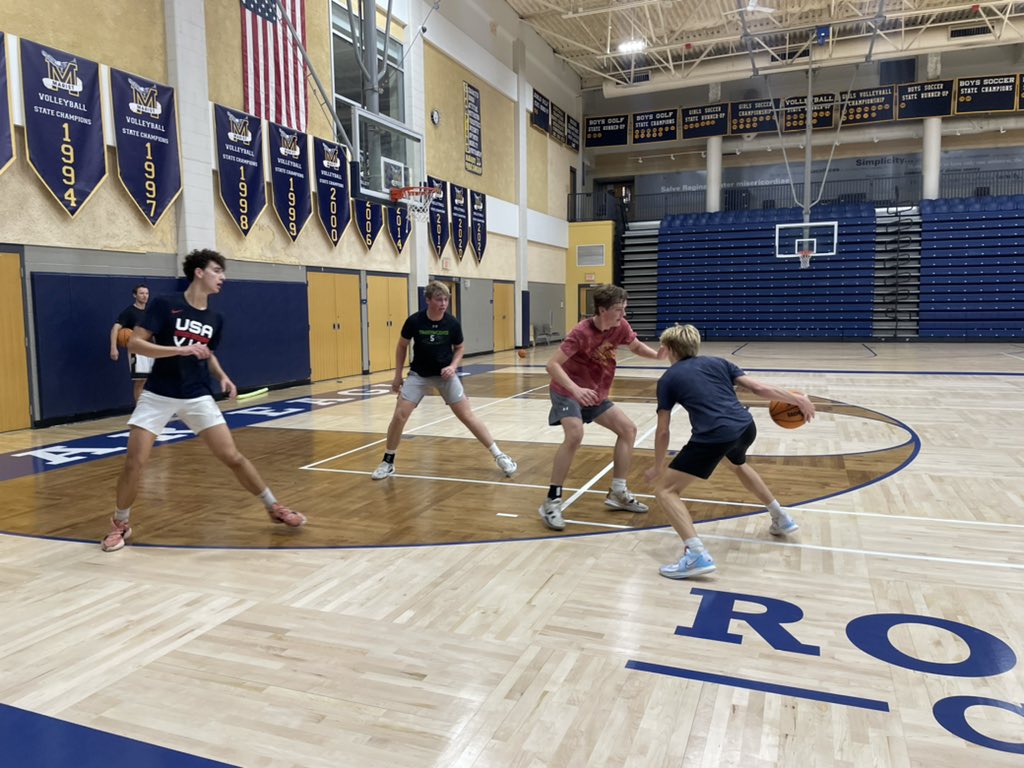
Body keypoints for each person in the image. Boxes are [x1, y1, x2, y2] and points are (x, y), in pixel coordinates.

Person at [100, 249, 305, 552]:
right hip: (158, 394)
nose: (223, 277)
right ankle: (121, 524)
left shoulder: (215, 318)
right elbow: (135, 343)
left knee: (233, 457)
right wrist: (178, 351)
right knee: (135, 462)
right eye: (217, 270)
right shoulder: (165, 305)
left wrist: (222, 375)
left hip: (197, 394)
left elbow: (207, 352)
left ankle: (274, 506)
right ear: (199, 272)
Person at [643, 324, 815, 579]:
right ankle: (780, 516)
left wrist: (658, 467)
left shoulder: (668, 379)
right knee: (736, 464)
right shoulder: (718, 362)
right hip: (745, 427)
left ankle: (695, 554)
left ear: (667, 349)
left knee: (665, 490)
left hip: (714, 435)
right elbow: (758, 389)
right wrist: (795, 398)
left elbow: (663, 431)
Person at [538, 284, 666, 531]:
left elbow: (636, 346)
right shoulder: (581, 332)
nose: (623, 315)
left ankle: (618, 492)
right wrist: (576, 390)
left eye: (625, 309)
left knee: (628, 430)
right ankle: (551, 501)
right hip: (567, 391)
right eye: (619, 309)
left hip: (595, 393)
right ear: (602, 309)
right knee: (575, 434)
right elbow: (552, 366)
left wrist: (657, 356)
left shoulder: (620, 327)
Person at [371, 280, 517, 480]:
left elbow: (460, 348)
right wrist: (397, 376)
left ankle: (499, 455)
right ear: (428, 300)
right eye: (439, 299)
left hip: (445, 377)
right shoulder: (414, 321)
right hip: (418, 375)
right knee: (399, 416)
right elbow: (401, 346)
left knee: (467, 416)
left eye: (446, 299)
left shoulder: (452, 323)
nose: (443, 303)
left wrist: (453, 366)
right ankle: (388, 461)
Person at [110, 283, 153, 403]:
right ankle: (140, 410)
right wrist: (114, 347)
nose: (145, 296)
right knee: (140, 381)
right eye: (141, 293)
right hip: (137, 350)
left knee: (156, 379)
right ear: (135, 295)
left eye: (147, 293)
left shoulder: (151, 310)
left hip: (152, 347)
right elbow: (115, 329)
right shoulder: (129, 312)